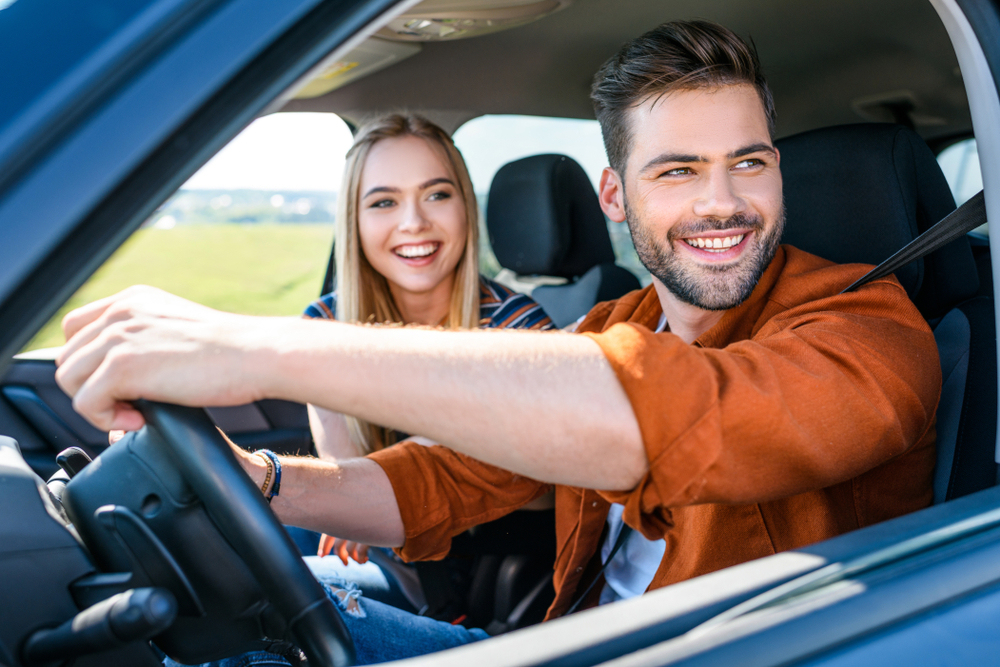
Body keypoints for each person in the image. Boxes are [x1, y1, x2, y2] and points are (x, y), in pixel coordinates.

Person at [54, 19, 940, 666]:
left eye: (749, 161)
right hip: (563, 641)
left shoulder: (868, 331)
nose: (722, 202)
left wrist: (261, 348)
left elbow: (672, 414)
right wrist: (269, 486)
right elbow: (443, 480)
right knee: (221, 629)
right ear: (616, 197)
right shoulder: (614, 326)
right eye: (678, 170)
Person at [293, 112, 553, 614]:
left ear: (465, 207)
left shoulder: (521, 328)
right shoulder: (325, 325)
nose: (413, 222)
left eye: (437, 194)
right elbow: (343, 478)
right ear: (355, 220)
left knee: (267, 598)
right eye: (384, 202)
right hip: (381, 559)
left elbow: (543, 493)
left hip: (476, 575)